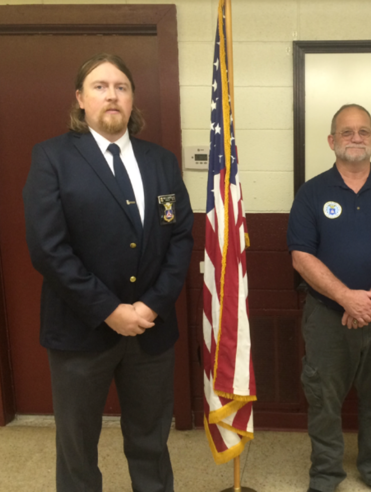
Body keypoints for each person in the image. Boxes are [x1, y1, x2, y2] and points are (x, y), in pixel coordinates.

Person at [23, 53, 194, 492]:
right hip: (81, 330)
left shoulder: (161, 161)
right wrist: (110, 309)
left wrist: (150, 305)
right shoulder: (53, 158)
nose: (112, 95)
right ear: (80, 99)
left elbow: (180, 240)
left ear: (133, 99)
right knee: (78, 446)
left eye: (121, 87)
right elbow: (48, 249)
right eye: (100, 87)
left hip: (150, 330)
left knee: (151, 440)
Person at [287, 104, 371, 492]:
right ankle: (325, 475)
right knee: (323, 400)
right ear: (331, 141)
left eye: (363, 131)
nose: (356, 138)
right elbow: (301, 255)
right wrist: (346, 297)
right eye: (346, 132)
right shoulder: (312, 192)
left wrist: (369, 301)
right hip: (326, 316)